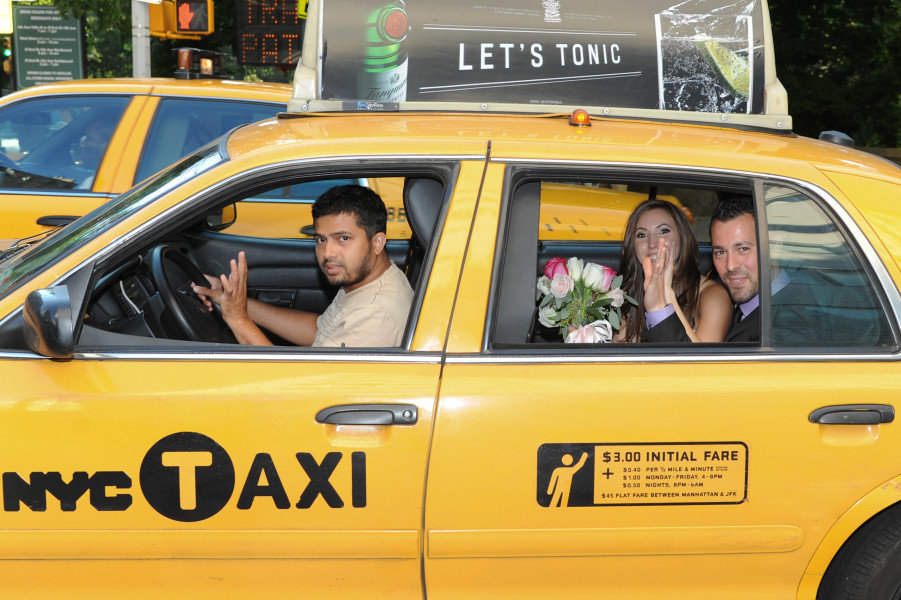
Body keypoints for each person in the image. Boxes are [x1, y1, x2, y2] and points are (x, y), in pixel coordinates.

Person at [193, 184, 413, 347]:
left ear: (377, 242)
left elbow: (297, 390)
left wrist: (237, 319)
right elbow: (319, 330)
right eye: (321, 239)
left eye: (343, 239)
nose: (327, 253)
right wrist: (233, 301)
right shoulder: (368, 282)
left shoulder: (374, 315)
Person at [641, 194, 763, 343]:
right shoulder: (744, 306)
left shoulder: (783, 325)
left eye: (743, 249)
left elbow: (701, 366)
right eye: (720, 252)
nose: (730, 265)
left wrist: (662, 305)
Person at [615, 199, 732, 343]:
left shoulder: (713, 296)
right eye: (641, 235)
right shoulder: (632, 293)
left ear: (683, 238)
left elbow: (702, 362)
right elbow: (619, 357)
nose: (652, 243)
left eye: (663, 231)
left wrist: (667, 299)